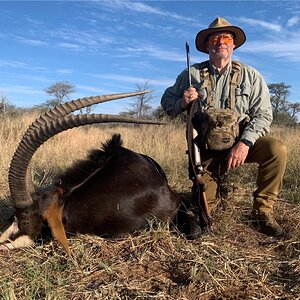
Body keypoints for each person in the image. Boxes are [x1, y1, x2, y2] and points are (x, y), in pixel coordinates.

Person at [161, 17, 287, 237]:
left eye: (226, 38)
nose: (221, 42)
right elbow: (166, 103)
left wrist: (246, 143)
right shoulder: (191, 75)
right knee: (202, 207)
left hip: (240, 144)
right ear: (207, 45)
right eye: (215, 38)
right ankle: (211, 189)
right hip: (205, 150)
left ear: (233, 44)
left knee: (276, 150)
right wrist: (182, 102)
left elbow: (264, 114)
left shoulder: (251, 75)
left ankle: (262, 212)